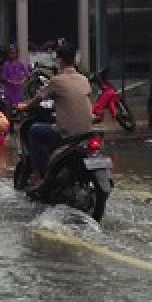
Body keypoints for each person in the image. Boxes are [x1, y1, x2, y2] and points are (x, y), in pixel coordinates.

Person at [17, 43, 94, 191]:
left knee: (34, 131)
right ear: (74, 61)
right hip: (86, 132)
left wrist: (25, 107)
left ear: (60, 61)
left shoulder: (57, 81)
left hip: (66, 133)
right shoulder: (84, 79)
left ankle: (40, 175)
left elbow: (38, 98)